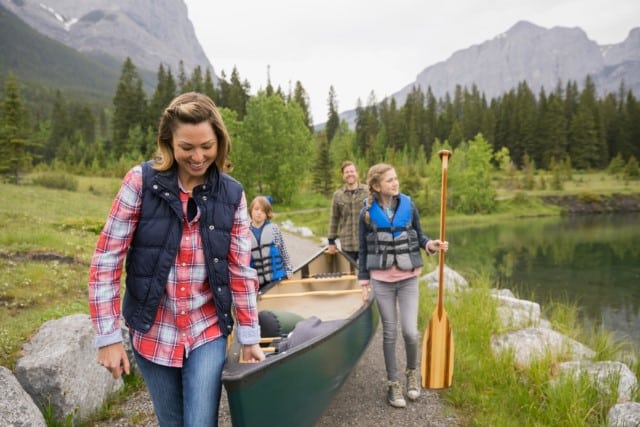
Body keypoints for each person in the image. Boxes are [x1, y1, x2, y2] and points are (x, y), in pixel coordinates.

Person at [88, 92, 264, 427]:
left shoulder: (233, 194)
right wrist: (108, 338)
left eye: (207, 146)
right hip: (152, 330)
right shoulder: (139, 182)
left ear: (219, 142)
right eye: (187, 147)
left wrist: (249, 335)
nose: (198, 157)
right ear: (169, 143)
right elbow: (106, 260)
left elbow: (240, 269)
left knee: (199, 423)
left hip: (206, 329)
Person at [357, 163, 448, 409]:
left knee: (409, 331)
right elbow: (363, 250)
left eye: (396, 179)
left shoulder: (409, 204)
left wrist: (431, 245)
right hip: (382, 282)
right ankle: (393, 382)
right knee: (389, 332)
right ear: (376, 186)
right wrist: (364, 282)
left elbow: (418, 235)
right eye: (389, 181)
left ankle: (411, 373)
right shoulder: (365, 213)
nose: (395, 183)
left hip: (408, 278)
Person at [326, 161, 368, 263]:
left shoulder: (368, 191)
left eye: (352, 171)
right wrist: (331, 241)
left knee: (367, 276)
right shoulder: (338, 195)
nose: (350, 174)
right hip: (347, 244)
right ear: (343, 175)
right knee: (349, 275)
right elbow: (334, 218)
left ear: (357, 173)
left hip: (366, 242)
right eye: (347, 172)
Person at [249, 195, 293, 289]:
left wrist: (289, 270)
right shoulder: (245, 233)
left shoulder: (274, 229)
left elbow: (283, 251)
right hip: (257, 283)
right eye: (256, 209)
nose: (259, 213)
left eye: (263, 210)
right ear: (251, 211)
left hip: (277, 279)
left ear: (267, 213)